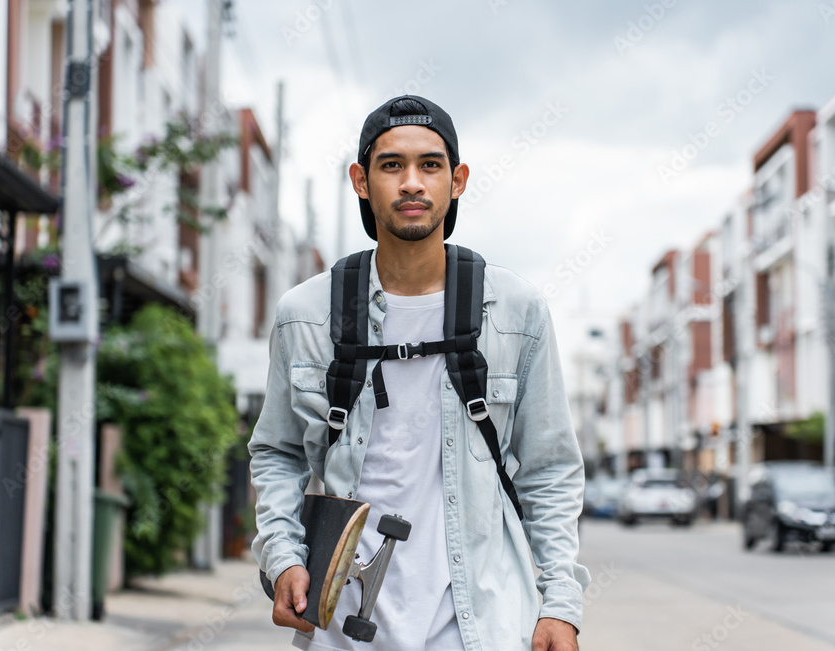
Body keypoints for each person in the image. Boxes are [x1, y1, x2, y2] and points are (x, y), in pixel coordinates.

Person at [248, 94, 589, 651]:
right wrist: (282, 555)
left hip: (483, 627)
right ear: (361, 181)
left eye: (430, 165)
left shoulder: (516, 313)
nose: (412, 183)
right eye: (391, 166)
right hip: (342, 630)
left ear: (457, 181)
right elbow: (277, 452)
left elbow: (549, 470)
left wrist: (560, 606)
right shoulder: (304, 315)